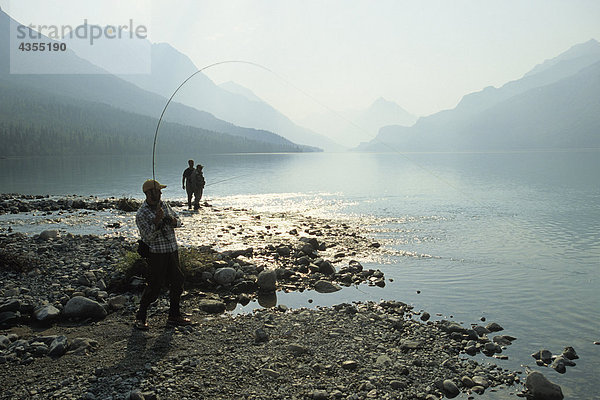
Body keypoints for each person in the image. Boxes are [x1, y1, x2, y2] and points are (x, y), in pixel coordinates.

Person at [134, 179, 191, 330]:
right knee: (154, 286)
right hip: (156, 253)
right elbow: (148, 237)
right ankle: (140, 317)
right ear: (149, 193)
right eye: (157, 191)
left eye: (160, 191)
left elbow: (179, 222)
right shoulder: (141, 213)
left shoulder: (164, 205)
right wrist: (157, 222)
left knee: (178, 281)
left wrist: (172, 220)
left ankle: (174, 315)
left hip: (172, 249)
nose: (160, 193)